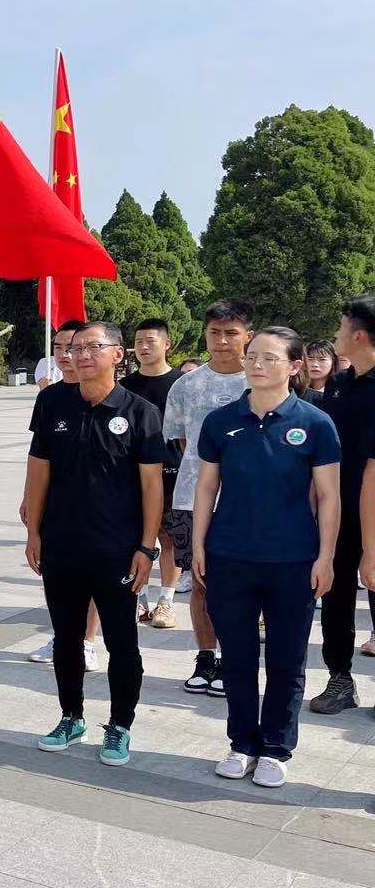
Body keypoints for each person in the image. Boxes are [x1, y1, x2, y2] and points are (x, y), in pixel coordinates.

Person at [193, 327, 339, 788]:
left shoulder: (316, 423)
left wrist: (326, 557)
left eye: (269, 358)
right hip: (229, 555)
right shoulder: (221, 421)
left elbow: (329, 495)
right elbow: (206, 486)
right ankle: (242, 742)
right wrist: (199, 544)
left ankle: (276, 747)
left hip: (293, 560)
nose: (256, 364)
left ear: (294, 366)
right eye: (252, 356)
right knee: (236, 658)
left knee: (286, 660)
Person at [25, 322, 164, 766]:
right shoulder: (53, 402)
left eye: (92, 347)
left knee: (122, 642)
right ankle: (71, 716)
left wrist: (146, 548)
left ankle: (120, 725)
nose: (81, 355)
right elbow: (38, 467)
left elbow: (152, 487)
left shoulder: (140, 412)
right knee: (66, 638)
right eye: (75, 348)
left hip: (117, 549)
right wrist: (33, 532)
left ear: (117, 355)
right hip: (61, 544)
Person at [163, 300, 255, 697]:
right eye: (214, 332)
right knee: (200, 582)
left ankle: (235, 660)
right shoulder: (186, 385)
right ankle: (206, 656)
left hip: (248, 503)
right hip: (192, 498)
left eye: (231, 333)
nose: (222, 341)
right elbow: (184, 443)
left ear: (248, 336)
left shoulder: (261, 381)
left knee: (242, 586)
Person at [310, 296, 375, 713]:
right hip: (338, 508)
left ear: (359, 335)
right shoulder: (337, 384)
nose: (335, 333)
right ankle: (340, 680)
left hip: (374, 508)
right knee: (334, 595)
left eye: (341, 326)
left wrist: (372, 546)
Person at [28, 320, 101, 670]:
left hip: (99, 507)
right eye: (58, 347)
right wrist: (30, 499)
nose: (65, 354)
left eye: (72, 346)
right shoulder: (49, 398)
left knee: (93, 577)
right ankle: (62, 635)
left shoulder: (103, 394)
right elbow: (37, 457)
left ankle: (87, 642)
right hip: (58, 505)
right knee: (56, 575)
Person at [121, 318, 185, 628]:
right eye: (139, 342)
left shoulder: (182, 384)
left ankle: (166, 602)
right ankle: (140, 600)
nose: (143, 347)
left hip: (173, 473)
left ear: (167, 344)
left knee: (169, 539)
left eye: (151, 341)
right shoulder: (125, 386)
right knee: (135, 539)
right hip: (133, 476)